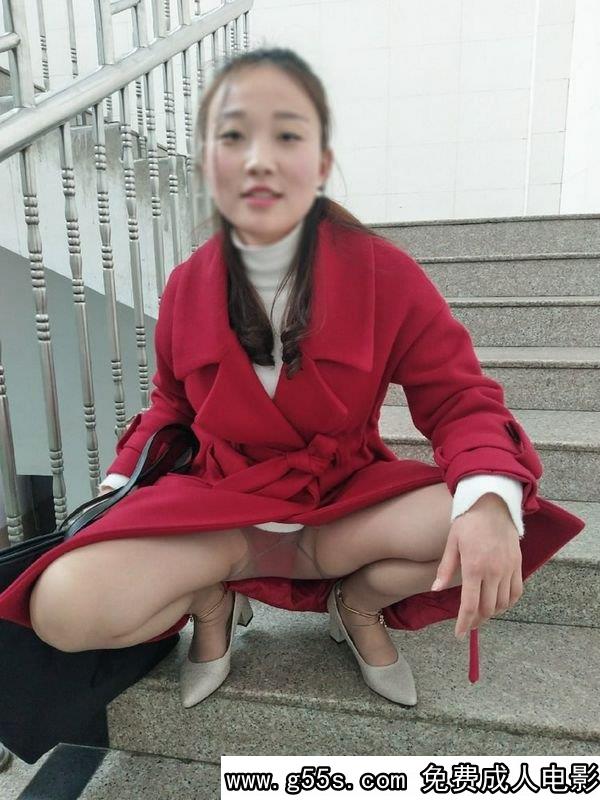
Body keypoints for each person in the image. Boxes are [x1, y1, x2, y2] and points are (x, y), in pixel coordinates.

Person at [0, 48, 585, 712]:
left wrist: (486, 502)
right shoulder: (187, 284)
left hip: (340, 508)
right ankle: (211, 602)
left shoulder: (384, 275)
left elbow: (458, 398)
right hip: (221, 513)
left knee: (500, 516)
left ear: (321, 161)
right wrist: (120, 485)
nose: (259, 160)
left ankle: (357, 604)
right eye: (233, 138)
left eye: (285, 135)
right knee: (63, 606)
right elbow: (171, 406)